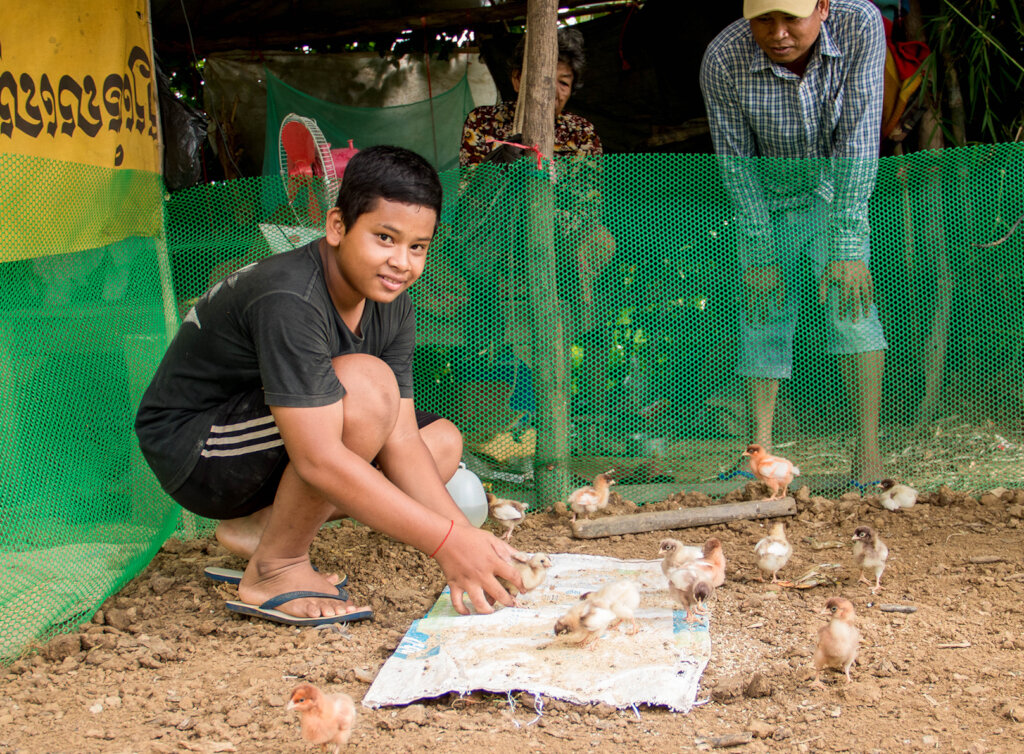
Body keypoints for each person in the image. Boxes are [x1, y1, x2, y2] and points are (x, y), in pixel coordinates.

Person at [135, 145, 523, 626]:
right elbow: (319, 456)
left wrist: (466, 538)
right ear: (337, 226)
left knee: (440, 444)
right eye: (385, 237)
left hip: (268, 439)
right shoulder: (290, 296)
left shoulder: (391, 300)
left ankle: (264, 528)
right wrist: (445, 543)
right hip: (198, 449)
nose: (401, 262)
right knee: (363, 390)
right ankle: (276, 567)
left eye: (417, 246)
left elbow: (400, 436)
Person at [700, 0, 888, 484]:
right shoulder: (724, 57)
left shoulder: (860, 24)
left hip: (838, 189)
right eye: (764, 20)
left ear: (823, 7)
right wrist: (761, 254)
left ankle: (867, 457)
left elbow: (861, 137)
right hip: (767, 199)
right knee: (761, 315)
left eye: (791, 18)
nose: (779, 33)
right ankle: (759, 457)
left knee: (853, 312)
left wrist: (847, 244)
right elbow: (736, 163)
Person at [445, 28, 616, 453]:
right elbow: (468, 196)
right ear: (517, 79)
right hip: (487, 258)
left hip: (554, 256)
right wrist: (495, 168)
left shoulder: (581, 133)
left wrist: (544, 196)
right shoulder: (484, 124)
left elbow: (588, 205)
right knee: (485, 345)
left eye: (564, 82)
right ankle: (488, 443)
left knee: (546, 342)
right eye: (544, 80)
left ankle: (537, 442)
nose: (555, 92)